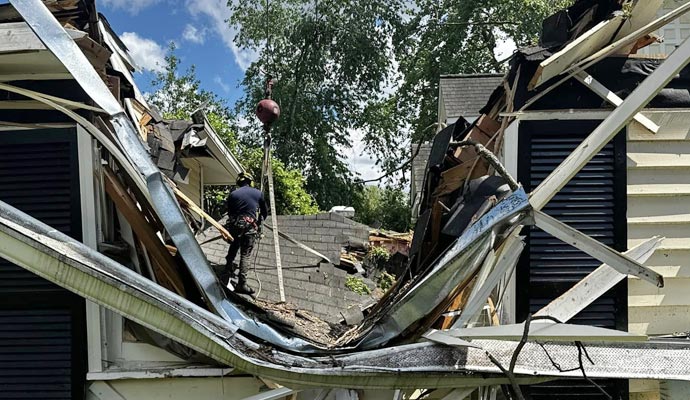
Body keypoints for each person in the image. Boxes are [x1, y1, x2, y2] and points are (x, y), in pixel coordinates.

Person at [223, 172, 267, 295]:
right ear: (250, 181)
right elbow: (264, 213)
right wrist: (258, 223)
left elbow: (230, 213)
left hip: (235, 227)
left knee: (233, 247)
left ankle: (226, 271)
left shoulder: (233, 194)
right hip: (249, 228)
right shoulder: (258, 193)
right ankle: (242, 284)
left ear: (239, 182)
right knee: (245, 255)